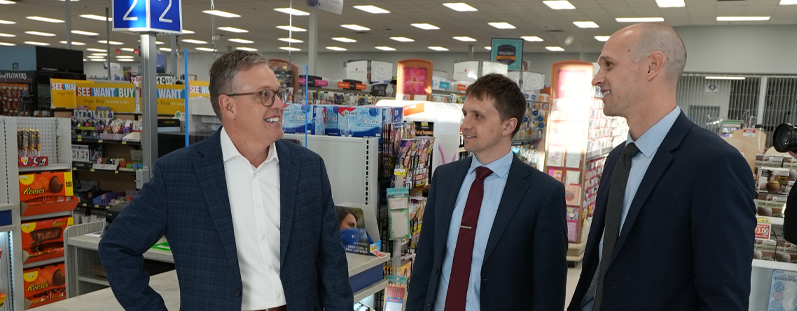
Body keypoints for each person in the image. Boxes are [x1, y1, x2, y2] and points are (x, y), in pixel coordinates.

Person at [99, 50, 353, 311]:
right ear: (228, 105)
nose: (279, 104)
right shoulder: (178, 175)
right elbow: (117, 248)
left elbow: (332, 262)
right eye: (265, 94)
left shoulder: (309, 167)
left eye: (278, 93)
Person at [568, 23, 756, 311]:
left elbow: (723, 296)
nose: (597, 78)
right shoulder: (618, 158)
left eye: (608, 65)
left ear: (652, 66)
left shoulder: (716, 164)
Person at [406, 73, 568, 311]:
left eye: (478, 116)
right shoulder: (445, 178)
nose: (465, 125)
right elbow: (425, 262)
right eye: (465, 114)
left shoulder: (543, 194)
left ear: (508, 125)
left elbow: (548, 289)